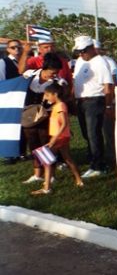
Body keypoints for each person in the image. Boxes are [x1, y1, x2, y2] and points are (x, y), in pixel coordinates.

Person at [72, 35, 114, 178]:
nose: (81, 54)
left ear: (91, 48)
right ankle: (93, 160)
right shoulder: (80, 61)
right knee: (86, 134)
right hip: (81, 101)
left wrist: (108, 106)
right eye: (79, 51)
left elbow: (108, 85)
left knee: (93, 134)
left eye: (83, 51)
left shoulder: (100, 62)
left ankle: (99, 165)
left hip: (95, 100)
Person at [30, 82, 83, 195]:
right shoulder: (58, 106)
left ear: (55, 94)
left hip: (58, 138)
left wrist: (54, 139)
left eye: (48, 95)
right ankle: (79, 180)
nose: (46, 98)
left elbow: (63, 123)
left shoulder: (60, 106)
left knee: (46, 160)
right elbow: (63, 123)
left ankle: (47, 187)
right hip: (62, 136)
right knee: (68, 159)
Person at [21, 54, 65, 184]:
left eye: (57, 72)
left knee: (46, 145)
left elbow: (60, 101)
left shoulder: (58, 82)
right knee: (33, 145)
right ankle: (37, 173)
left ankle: (51, 174)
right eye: (53, 71)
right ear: (45, 67)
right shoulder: (30, 75)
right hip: (28, 117)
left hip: (46, 117)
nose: (55, 74)